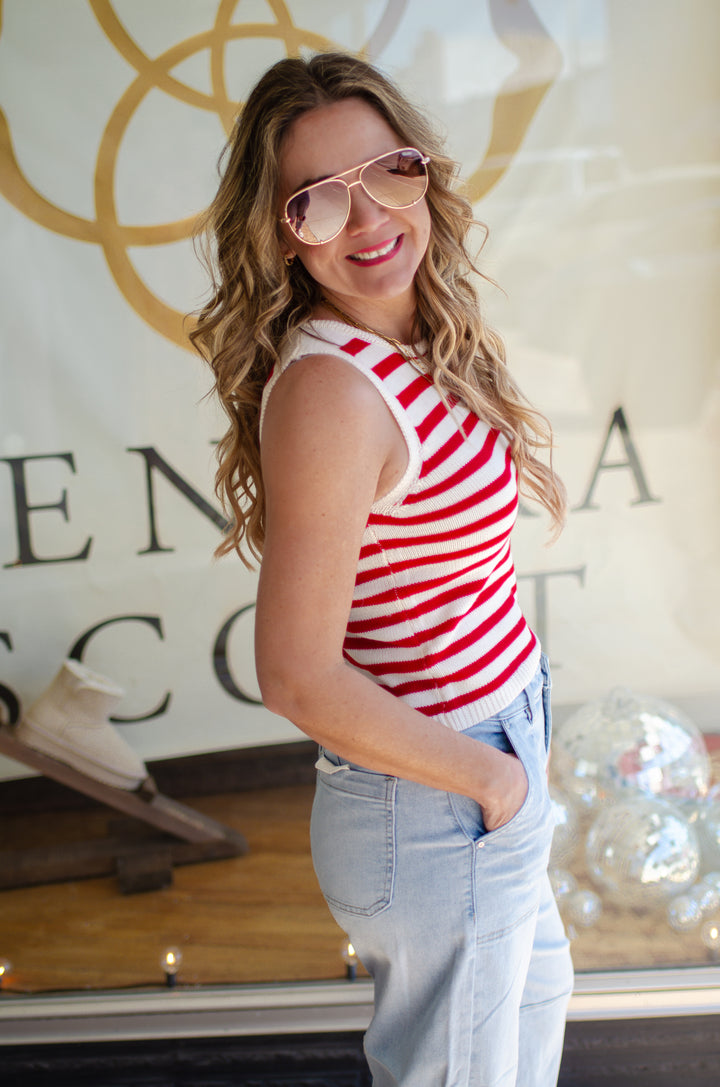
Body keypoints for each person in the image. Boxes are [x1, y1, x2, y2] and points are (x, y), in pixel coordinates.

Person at [192, 51, 574, 1087]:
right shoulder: (333, 393)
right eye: (318, 200)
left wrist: (514, 765)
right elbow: (299, 677)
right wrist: (495, 778)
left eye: (386, 173)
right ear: (278, 234)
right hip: (442, 796)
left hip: (481, 769)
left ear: (422, 172)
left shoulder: (417, 340)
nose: (366, 222)